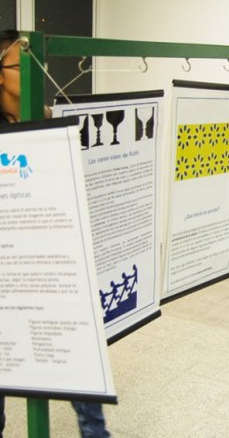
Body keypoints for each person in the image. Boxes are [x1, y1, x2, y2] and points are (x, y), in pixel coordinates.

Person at [0, 29, 111, 438]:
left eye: (38, 61)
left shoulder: (45, 119)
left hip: (53, 264)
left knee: (79, 360)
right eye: (23, 63)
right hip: (9, 272)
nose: (38, 69)